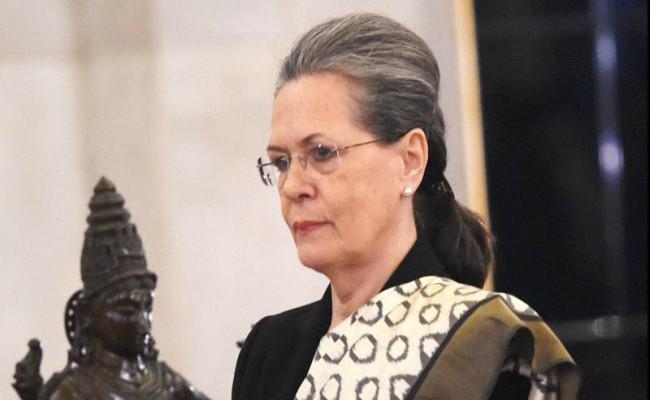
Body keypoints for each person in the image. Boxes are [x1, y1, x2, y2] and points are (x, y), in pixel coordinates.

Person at [233, 13, 579, 400]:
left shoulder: (486, 347)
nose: (293, 186)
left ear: (410, 160)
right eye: (281, 162)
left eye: (322, 153)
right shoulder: (269, 351)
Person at [13, 177, 209, 400]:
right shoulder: (77, 389)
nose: (142, 321)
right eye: (126, 311)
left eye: (147, 307)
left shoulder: (166, 382)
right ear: (87, 314)